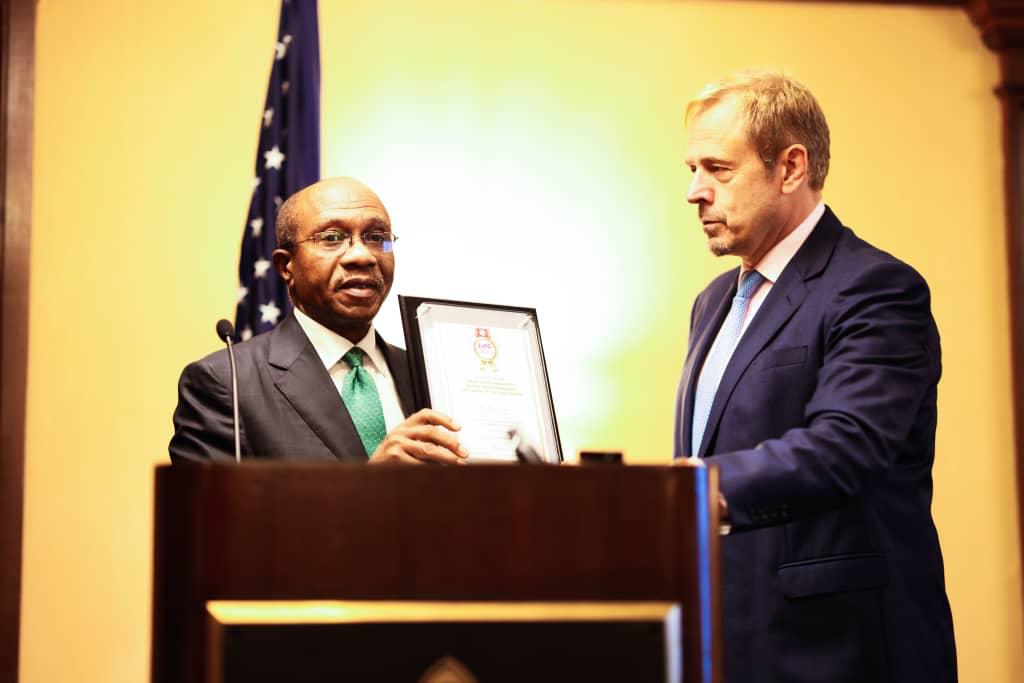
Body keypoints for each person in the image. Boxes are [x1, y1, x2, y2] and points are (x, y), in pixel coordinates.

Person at [674, 71, 956, 682]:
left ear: (791, 167)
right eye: (692, 170)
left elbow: (846, 445)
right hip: (730, 645)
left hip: (837, 652)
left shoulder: (876, 288)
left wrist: (689, 489)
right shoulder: (713, 302)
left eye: (718, 169)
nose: (695, 191)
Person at [170, 177, 469, 465]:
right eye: (332, 238)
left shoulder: (430, 373)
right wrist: (372, 485)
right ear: (286, 266)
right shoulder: (226, 383)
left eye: (377, 238)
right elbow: (215, 503)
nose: (362, 256)